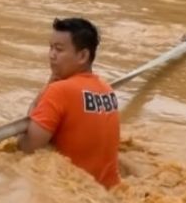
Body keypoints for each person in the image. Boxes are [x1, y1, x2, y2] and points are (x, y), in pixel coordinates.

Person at [17, 18, 121, 189]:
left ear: (83, 56)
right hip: (110, 190)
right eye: (50, 48)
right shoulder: (107, 90)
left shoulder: (59, 91)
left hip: (76, 191)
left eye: (59, 49)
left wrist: (44, 92)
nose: (51, 55)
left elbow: (28, 146)